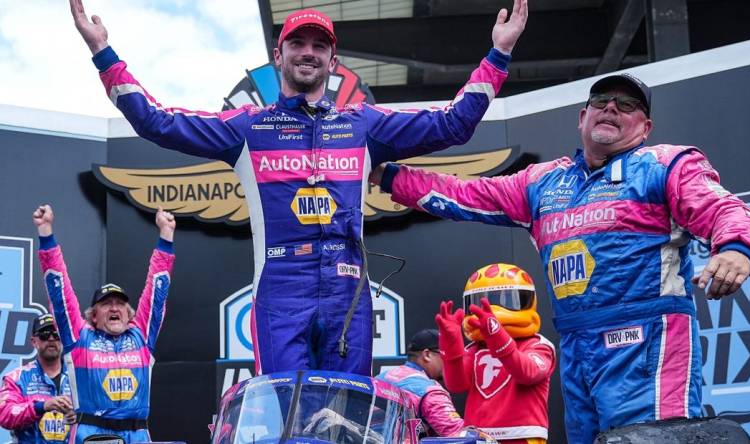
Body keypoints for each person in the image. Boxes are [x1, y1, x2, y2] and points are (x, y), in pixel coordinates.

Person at [68, 0, 529, 376]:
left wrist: (497, 56)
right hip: (280, 286)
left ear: (333, 60)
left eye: (319, 45)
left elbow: (453, 125)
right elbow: (158, 122)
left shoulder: (362, 123)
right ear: (279, 55)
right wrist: (104, 54)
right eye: (298, 42)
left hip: (348, 286)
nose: (308, 52)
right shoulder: (248, 127)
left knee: (344, 414)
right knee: (285, 410)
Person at [372, 73, 750, 443]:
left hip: (648, 341)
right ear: (583, 117)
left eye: (627, 105)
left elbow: (723, 208)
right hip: (578, 346)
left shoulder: (665, 164)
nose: (612, 108)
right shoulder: (542, 182)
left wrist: (736, 247)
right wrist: (386, 177)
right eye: (602, 100)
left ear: (645, 128)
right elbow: (464, 194)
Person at [33, 205, 175, 444]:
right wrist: (46, 232)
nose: (114, 308)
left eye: (120, 304)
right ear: (93, 316)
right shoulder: (79, 339)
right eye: (106, 303)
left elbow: (157, 289)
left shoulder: (141, 336)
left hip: (138, 435)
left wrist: (166, 235)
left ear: (129, 314)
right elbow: (60, 293)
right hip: (92, 434)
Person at [436, 264, 554, 444]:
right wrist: (451, 345)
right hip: (478, 437)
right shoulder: (474, 349)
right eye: (483, 301)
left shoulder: (539, 345)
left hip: (521, 436)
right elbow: (456, 385)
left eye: (507, 300)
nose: (494, 310)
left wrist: (496, 336)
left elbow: (527, 372)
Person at [376, 329, 466, 437]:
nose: (450, 361)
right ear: (427, 355)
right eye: (447, 355)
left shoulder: (381, 377)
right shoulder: (429, 391)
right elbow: (458, 435)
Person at [0, 314, 73, 443]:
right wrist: (41, 406)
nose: (51, 339)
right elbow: (5, 414)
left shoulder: (79, 377)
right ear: (34, 341)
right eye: (44, 335)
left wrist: (81, 416)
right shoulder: (17, 378)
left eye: (56, 335)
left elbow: (99, 413)